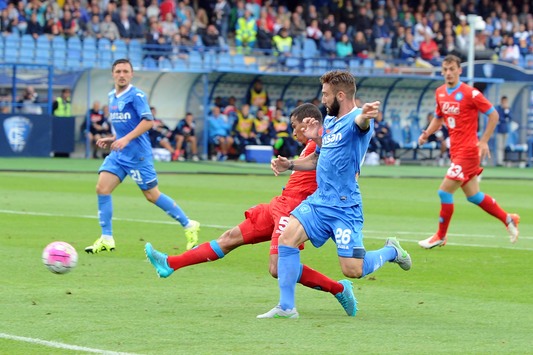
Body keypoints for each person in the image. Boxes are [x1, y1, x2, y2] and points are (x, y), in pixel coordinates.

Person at [144, 103, 358, 317]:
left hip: (294, 209)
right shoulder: (313, 142)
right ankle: (171, 263)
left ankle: (338, 289)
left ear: (308, 121)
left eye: (294, 126)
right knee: (229, 237)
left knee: (277, 268)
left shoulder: (325, 139)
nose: (293, 132)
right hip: (279, 203)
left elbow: (337, 155)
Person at [258, 70, 412, 319]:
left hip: (344, 207)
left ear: (341, 95)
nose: (323, 100)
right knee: (287, 239)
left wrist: (364, 114)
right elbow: (320, 157)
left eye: (326, 95)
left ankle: (391, 251)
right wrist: (292, 164)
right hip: (320, 202)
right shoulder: (328, 122)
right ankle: (286, 307)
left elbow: (361, 123)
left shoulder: (355, 121)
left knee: (353, 269)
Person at [85, 58, 200, 254]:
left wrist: (126, 140)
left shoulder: (136, 95)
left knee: (152, 195)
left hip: (138, 155)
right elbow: (125, 128)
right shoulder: (112, 96)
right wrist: (113, 139)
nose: (122, 75)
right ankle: (106, 238)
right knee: (102, 188)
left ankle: (189, 225)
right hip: (120, 153)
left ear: (131, 74)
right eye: (118, 71)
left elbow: (148, 122)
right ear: (112, 74)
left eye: (125, 71)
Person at [417, 55, 520, 249]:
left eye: (452, 69)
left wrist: (483, 141)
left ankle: (440, 235)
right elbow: (439, 117)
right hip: (456, 152)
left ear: (459, 70)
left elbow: (493, 114)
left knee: (444, 191)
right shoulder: (440, 92)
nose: (448, 73)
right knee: (474, 196)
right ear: (442, 71)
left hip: (469, 151)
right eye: (445, 69)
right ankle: (509, 219)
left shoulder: (470, 93)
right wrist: (426, 133)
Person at [495, 96, 512, 166]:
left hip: (506, 130)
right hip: (499, 130)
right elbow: (499, 118)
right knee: (499, 146)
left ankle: (504, 160)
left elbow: (510, 118)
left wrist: (506, 111)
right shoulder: (498, 108)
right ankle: (499, 161)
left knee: (504, 146)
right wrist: (504, 120)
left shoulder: (507, 109)